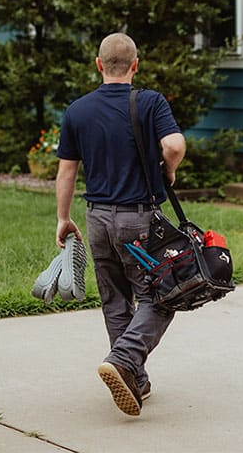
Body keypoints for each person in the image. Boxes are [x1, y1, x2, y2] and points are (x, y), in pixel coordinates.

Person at [55, 32, 186, 417]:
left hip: (96, 218)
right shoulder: (149, 102)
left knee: (114, 299)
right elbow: (175, 145)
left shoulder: (77, 110)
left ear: (98, 65)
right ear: (135, 65)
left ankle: (136, 381)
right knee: (162, 296)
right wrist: (170, 171)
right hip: (138, 221)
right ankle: (125, 360)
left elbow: (66, 173)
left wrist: (64, 219)